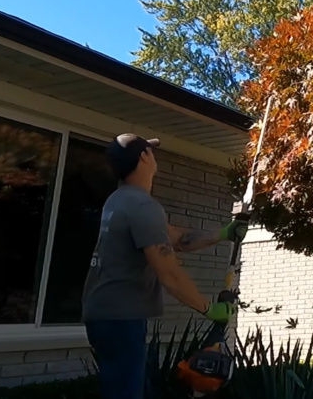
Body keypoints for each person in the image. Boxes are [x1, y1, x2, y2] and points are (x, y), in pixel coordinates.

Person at [81, 133, 248, 399]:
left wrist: (224, 233)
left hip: (108, 314)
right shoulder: (142, 206)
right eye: (151, 151)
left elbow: (178, 239)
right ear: (144, 157)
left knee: (130, 389)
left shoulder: (120, 200)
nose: (154, 155)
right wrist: (209, 309)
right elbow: (169, 273)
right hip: (121, 318)